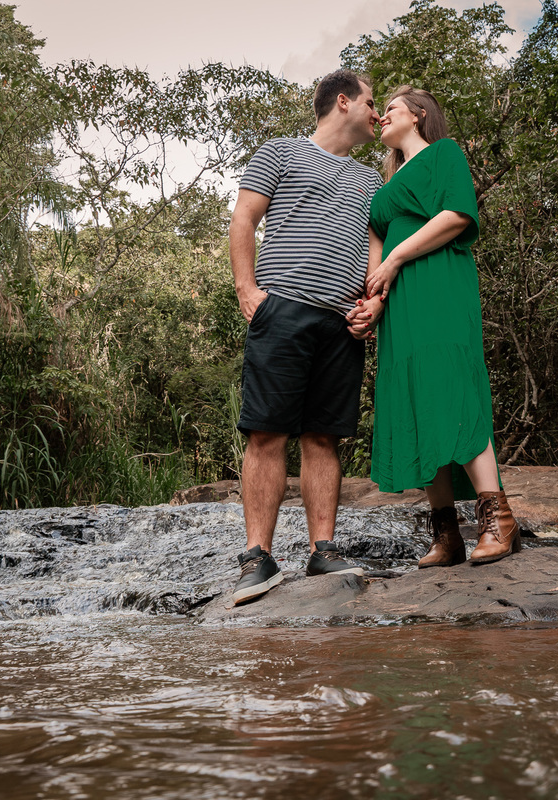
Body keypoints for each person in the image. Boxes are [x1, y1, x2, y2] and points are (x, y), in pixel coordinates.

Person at [347, 85, 522, 567]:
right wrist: (373, 303)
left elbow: (457, 215)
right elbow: (375, 257)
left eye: (391, 109)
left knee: (451, 389)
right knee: (419, 403)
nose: (382, 117)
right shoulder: (383, 188)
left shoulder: (444, 153)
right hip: (400, 307)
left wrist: (397, 260)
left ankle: (498, 519)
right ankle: (446, 534)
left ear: (419, 116)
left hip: (441, 287)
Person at [228, 69, 386, 605]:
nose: (377, 111)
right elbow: (245, 219)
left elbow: (374, 250)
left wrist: (375, 302)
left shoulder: (371, 182)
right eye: (371, 101)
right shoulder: (280, 151)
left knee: (324, 436)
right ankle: (258, 557)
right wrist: (248, 291)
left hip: (342, 321)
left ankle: (323, 550)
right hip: (282, 311)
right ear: (343, 102)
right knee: (267, 433)